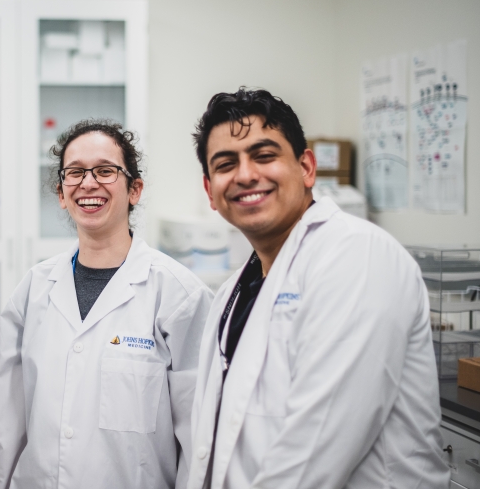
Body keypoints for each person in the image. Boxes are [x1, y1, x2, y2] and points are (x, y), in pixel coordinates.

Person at [186, 88, 449, 488]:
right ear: (210, 191)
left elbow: (314, 452)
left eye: (264, 155)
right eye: (225, 164)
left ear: (307, 167)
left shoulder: (357, 256)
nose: (244, 175)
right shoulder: (233, 293)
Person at [0, 120, 214, 489]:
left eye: (105, 171)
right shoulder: (34, 289)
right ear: (61, 193)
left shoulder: (178, 295)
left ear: (134, 189)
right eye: (74, 173)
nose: (88, 183)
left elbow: (199, 436)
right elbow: (6, 425)